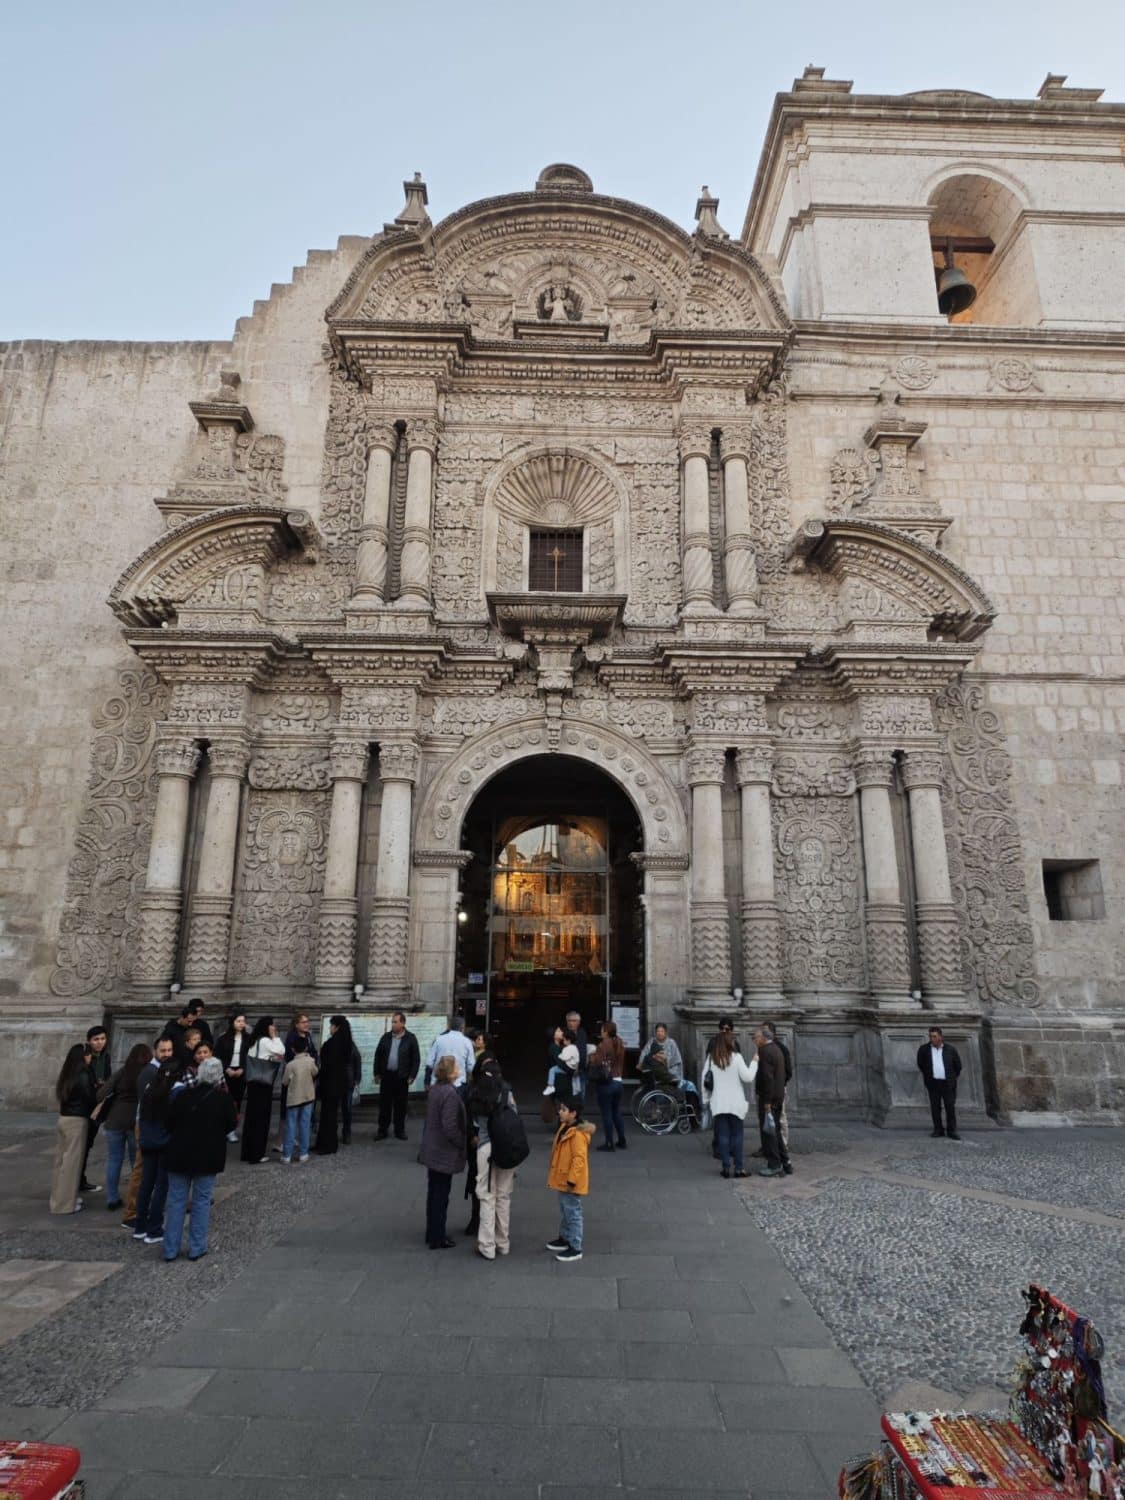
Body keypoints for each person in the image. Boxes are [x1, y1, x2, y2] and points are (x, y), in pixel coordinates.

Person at [162, 1056, 237, 1263]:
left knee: (176, 1201)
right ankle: (196, 1247)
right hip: (207, 1156)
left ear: (199, 1074)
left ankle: (170, 1249)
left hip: (179, 1154)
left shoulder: (183, 1096)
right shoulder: (223, 1100)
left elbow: (169, 1123)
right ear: (219, 1076)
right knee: (201, 1201)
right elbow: (231, 1125)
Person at [467, 1038, 517, 1261]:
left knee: (486, 1195)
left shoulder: (477, 1092)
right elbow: (514, 1116)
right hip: (506, 1148)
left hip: (486, 1147)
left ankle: (486, 1245)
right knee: (504, 1196)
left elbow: (475, 1123)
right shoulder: (506, 1091)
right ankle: (503, 1242)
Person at [122, 1036, 175, 1228]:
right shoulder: (150, 1072)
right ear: (155, 1051)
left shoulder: (160, 1070)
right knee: (141, 1169)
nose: (167, 1054)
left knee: (148, 1171)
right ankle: (132, 1212)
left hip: (153, 1124)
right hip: (146, 1125)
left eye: (170, 1050)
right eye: (163, 1051)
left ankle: (142, 1210)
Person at [419, 1055, 467, 1249]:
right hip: (443, 1150)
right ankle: (438, 1235)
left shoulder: (435, 1090)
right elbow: (449, 1126)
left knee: (434, 1192)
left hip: (433, 1147)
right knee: (441, 1194)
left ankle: (432, 1231)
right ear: (451, 1071)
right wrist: (460, 1140)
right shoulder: (449, 1094)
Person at [133, 1053, 183, 1242]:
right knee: (161, 1186)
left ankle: (140, 1226)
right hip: (165, 1143)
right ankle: (154, 1228)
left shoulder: (149, 1088)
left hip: (147, 1141)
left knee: (146, 1183)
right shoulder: (177, 1091)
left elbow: (141, 1114)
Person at [97, 1042, 152, 1210]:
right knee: (136, 1162)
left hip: (115, 1119)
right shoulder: (148, 1074)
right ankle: (135, 1198)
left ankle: (112, 1198)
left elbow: (101, 1094)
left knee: (114, 1159)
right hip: (135, 1120)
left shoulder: (122, 1072)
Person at [702, 1030, 758, 1178]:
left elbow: (705, 1080)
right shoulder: (737, 1057)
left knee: (723, 1135)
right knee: (737, 1135)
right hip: (735, 1102)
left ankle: (726, 1168)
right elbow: (748, 1077)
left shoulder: (711, 1059)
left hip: (719, 1103)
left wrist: (706, 1100)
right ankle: (739, 1168)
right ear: (729, 1042)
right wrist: (754, 1062)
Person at [545, 1098, 595, 1263]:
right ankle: (565, 1238)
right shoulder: (566, 1127)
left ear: (573, 1113)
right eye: (560, 1109)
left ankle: (575, 1247)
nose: (560, 1111)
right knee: (565, 1209)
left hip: (570, 1180)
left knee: (573, 1212)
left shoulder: (577, 1134)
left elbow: (579, 1159)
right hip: (563, 1177)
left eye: (564, 1109)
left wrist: (572, 1180)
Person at [50, 1043, 96, 1215]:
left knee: (61, 1163)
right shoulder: (83, 1074)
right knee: (71, 1165)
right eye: (89, 1054)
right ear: (84, 1056)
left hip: (64, 1118)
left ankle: (59, 1199)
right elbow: (89, 1097)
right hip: (77, 1120)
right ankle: (64, 1205)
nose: (91, 1057)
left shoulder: (67, 1073)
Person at [241, 1017, 284, 1164]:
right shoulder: (266, 1041)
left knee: (251, 1118)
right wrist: (275, 1037)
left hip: (253, 1081)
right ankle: (257, 1154)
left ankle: (248, 1152)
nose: (274, 1027)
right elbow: (281, 1051)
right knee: (261, 1118)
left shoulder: (254, 1040)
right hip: (263, 1082)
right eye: (272, 1025)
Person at [274, 1012, 319, 1153]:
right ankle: (280, 1141)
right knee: (288, 1109)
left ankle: (293, 1137)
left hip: (306, 1078)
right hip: (294, 1077)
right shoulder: (292, 1037)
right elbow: (289, 1057)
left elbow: (314, 1052)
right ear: (296, 1024)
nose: (307, 1024)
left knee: (303, 1109)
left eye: (307, 1021)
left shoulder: (308, 1036)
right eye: (303, 1022)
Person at [373, 1011, 420, 1141]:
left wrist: (412, 1075)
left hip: (402, 1077)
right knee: (384, 1105)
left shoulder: (410, 1038)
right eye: (392, 1021)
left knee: (401, 1106)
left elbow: (416, 1059)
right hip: (387, 1076)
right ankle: (382, 1130)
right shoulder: (386, 1037)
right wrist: (376, 1073)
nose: (392, 1024)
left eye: (395, 1022)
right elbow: (378, 1055)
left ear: (403, 1023)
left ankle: (399, 1130)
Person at [754, 1024, 792, 1178]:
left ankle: (774, 1164)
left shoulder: (765, 1051)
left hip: (769, 1099)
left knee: (768, 1133)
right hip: (778, 1096)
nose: (755, 1040)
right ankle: (786, 1162)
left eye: (756, 1037)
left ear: (763, 1038)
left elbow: (767, 1079)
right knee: (775, 1130)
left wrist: (767, 1101)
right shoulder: (776, 1049)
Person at [316, 1015, 356, 1155]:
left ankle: (327, 1145)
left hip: (330, 1083)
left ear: (336, 1027)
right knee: (331, 1115)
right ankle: (326, 1144)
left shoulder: (333, 1043)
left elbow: (327, 1065)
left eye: (331, 1025)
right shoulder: (346, 1042)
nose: (330, 1028)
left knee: (328, 1115)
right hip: (339, 1083)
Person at [80, 1024, 112, 1194]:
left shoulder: (105, 1057)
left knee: (88, 1144)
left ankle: (80, 1178)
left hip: (98, 1106)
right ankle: (77, 1179)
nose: (99, 1043)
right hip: (85, 1106)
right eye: (96, 1039)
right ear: (89, 1041)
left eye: (102, 1039)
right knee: (81, 1146)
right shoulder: (84, 1057)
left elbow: (108, 1076)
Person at [917, 1026, 962, 1140]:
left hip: (947, 1083)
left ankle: (951, 1130)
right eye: (931, 1036)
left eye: (935, 1036)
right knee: (935, 1107)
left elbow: (958, 1066)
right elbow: (921, 1064)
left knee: (950, 1107)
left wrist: (951, 1077)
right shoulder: (924, 1049)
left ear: (941, 1037)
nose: (932, 1039)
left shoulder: (950, 1049)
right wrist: (929, 1076)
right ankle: (938, 1129)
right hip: (933, 1083)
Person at [281, 1035, 318, 1163]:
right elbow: (315, 1072)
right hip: (308, 1096)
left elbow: (285, 1081)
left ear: (292, 1049)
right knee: (305, 1125)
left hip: (293, 1098)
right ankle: (303, 1153)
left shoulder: (290, 1065)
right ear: (307, 1048)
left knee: (291, 1126)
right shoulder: (310, 1061)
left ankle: (287, 1155)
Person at [592, 1020, 627, 1152]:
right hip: (618, 1082)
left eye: (602, 1029)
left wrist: (592, 1056)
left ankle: (609, 1143)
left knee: (606, 1114)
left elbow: (597, 1061)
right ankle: (622, 1139)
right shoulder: (619, 1042)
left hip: (606, 1083)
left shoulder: (603, 1044)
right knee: (616, 1111)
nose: (601, 1031)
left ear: (606, 1031)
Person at [214, 1012, 248, 1142]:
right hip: (227, 1072)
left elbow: (249, 1056)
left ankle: (232, 1129)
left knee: (237, 1101)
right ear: (232, 1023)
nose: (241, 1023)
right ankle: (224, 1127)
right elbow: (218, 1055)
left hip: (240, 1073)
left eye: (243, 1021)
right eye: (238, 1021)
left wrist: (242, 1068)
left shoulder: (247, 1038)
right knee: (225, 1099)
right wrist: (226, 1068)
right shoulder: (223, 1039)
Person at [423, 1015, 475, 1090]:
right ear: (462, 1027)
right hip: (458, 1084)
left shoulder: (439, 1039)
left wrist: (426, 1082)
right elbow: (470, 1067)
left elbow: (429, 1063)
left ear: (449, 1026)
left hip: (437, 1084)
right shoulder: (467, 1042)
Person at [638, 1023, 684, 1092]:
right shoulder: (651, 1042)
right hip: (657, 1073)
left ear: (665, 1032)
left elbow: (677, 1060)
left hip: (670, 1072)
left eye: (661, 1031)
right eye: (658, 1031)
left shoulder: (671, 1043)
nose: (659, 1033)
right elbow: (643, 1055)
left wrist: (670, 1071)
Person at [543, 1029, 580, 1100]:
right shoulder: (554, 1047)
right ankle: (550, 1086)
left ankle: (550, 1086)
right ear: (554, 1036)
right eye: (559, 1031)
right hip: (560, 1082)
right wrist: (572, 1070)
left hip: (564, 1080)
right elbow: (560, 1062)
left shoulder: (564, 1047)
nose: (562, 1032)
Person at [564, 1009, 589, 1101]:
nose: (571, 1023)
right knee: (567, 1098)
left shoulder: (582, 1033)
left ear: (578, 1022)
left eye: (574, 1021)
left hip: (581, 1071)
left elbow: (583, 1051)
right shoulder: (563, 1033)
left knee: (580, 1098)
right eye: (569, 1021)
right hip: (567, 1072)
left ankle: (577, 1115)